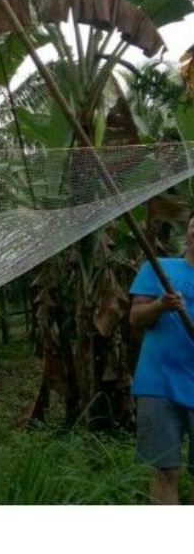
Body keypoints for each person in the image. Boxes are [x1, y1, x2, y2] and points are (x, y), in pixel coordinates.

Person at [129, 212, 194, 504]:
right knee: (164, 471)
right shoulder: (158, 270)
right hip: (158, 385)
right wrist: (160, 305)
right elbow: (135, 317)